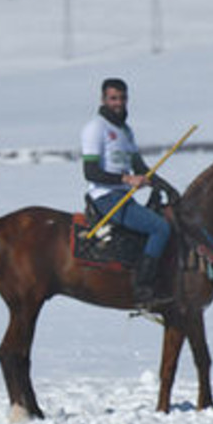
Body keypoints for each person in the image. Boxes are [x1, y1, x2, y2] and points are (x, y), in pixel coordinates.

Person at [81, 78, 173, 306]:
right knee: (160, 228)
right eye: (113, 98)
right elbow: (90, 172)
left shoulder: (125, 131)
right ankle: (143, 288)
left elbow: (140, 167)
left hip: (123, 196)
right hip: (105, 197)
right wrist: (126, 179)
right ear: (103, 100)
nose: (118, 103)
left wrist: (164, 186)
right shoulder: (96, 128)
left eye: (122, 98)